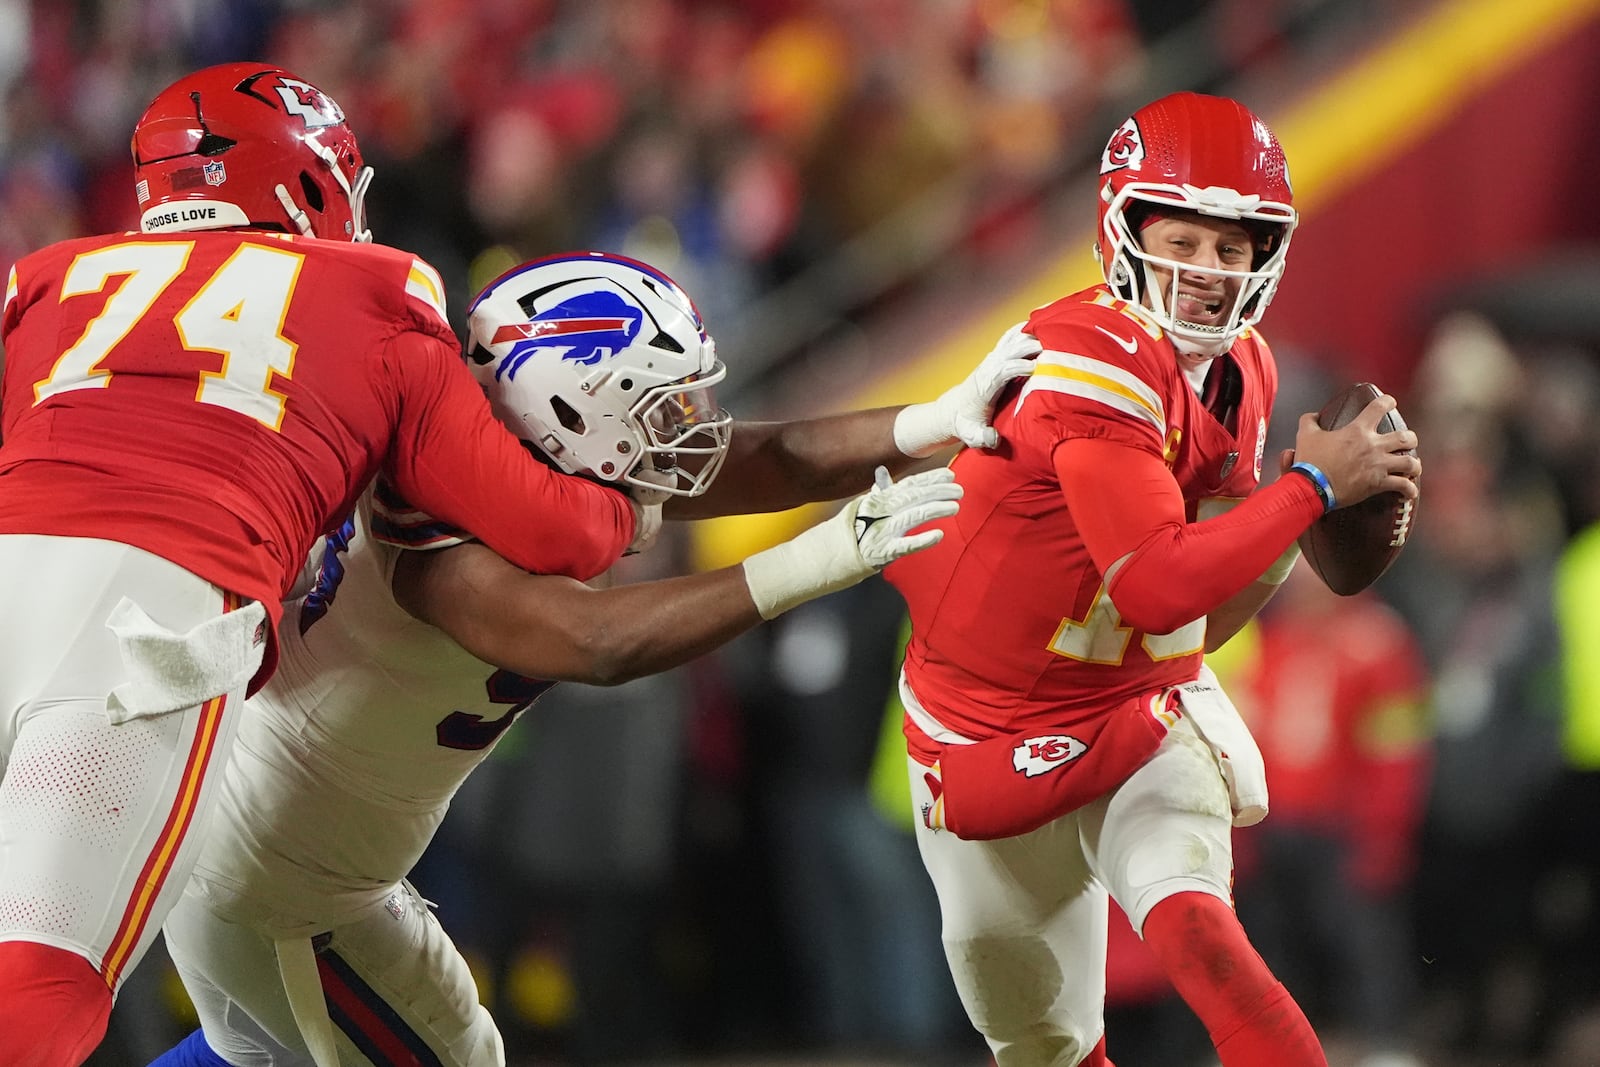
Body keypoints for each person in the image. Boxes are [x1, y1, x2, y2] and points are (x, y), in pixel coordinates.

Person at [146, 250, 1036, 1067]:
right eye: (663, 405)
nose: (691, 423)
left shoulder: (527, 466)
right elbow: (593, 641)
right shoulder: (437, 545)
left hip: (305, 860)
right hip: (278, 879)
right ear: (569, 412)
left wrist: (937, 416)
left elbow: (769, 455)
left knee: (272, 1056)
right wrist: (819, 558)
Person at [0, 63, 655, 1066]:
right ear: (310, 181)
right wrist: (631, 500)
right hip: (143, 626)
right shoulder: (378, 287)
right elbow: (554, 531)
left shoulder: (47, 276)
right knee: (42, 991)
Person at [881, 91, 1422, 1067]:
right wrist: (1307, 491)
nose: (1210, 275)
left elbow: (1198, 614)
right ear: (1120, 228)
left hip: (1130, 696)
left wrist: (1309, 536)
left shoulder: (1243, 365)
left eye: (1233, 247)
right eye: (1184, 239)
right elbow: (1157, 587)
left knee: (1203, 933)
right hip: (982, 727)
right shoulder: (1086, 359)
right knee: (1042, 1039)